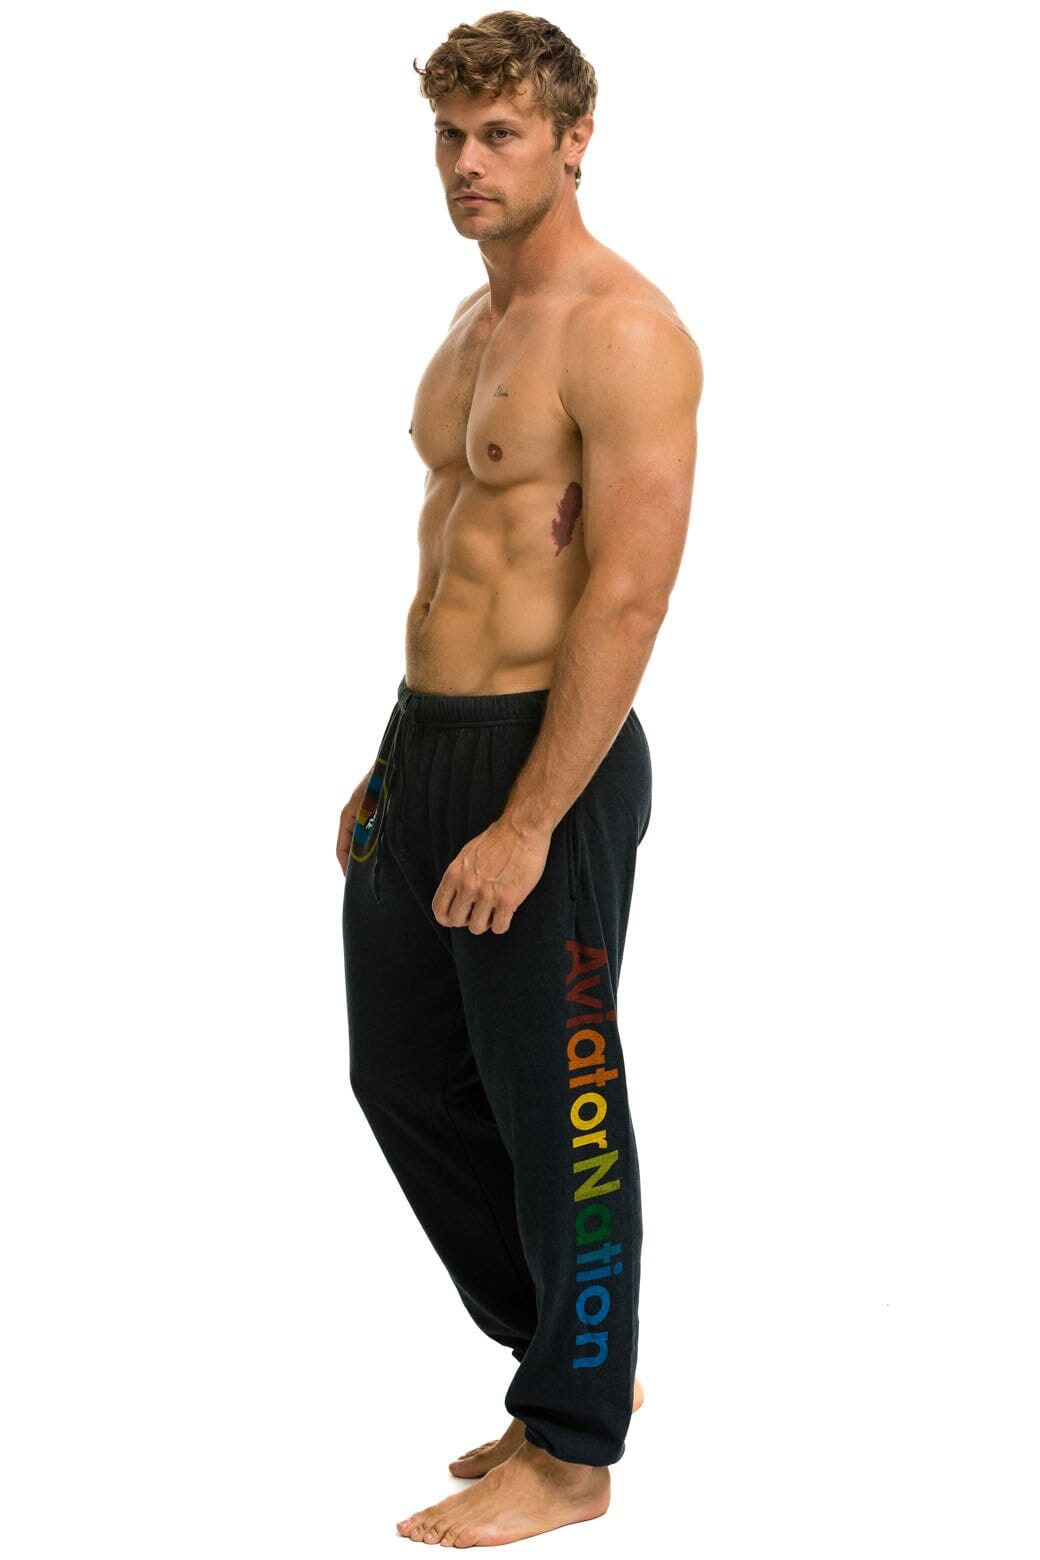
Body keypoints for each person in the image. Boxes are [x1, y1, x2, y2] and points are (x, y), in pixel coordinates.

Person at [337, 11, 702, 1546]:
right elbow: (454, 566)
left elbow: (627, 594)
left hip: (545, 759)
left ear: (574, 140)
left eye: (499, 134)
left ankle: (572, 1446)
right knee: (402, 1076)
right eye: (449, 134)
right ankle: (573, 1357)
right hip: (429, 743)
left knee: (563, 1099)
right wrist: (390, 767)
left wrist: (530, 817)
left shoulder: (624, 331)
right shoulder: (469, 325)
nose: (467, 163)